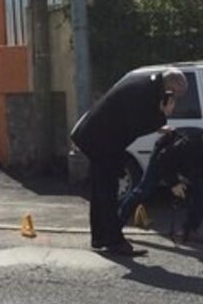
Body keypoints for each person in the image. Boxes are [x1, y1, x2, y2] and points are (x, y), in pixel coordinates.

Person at [70, 67, 188, 256]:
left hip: (96, 136)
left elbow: (132, 118)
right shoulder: (146, 92)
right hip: (99, 139)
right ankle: (114, 241)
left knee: (101, 190)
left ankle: (101, 237)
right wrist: (163, 115)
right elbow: (137, 124)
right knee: (107, 190)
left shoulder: (148, 85)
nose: (175, 98)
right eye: (176, 94)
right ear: (171, 87)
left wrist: (158, 124)